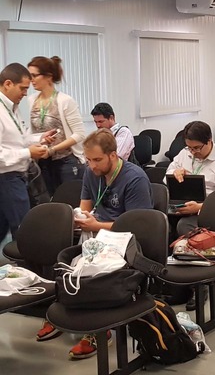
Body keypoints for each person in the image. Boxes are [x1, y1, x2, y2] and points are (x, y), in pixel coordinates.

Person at [37, 129, 153, 357]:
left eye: (97, 160)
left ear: (113, 155)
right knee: (59, 250)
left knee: (94, 268)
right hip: (95, 233)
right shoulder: (91, 173)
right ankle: (64, 306)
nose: (92, 166)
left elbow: (137, 226)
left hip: (124, 239)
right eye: (88, 160)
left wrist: (96, 226)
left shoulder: (134, 178)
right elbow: (86, 207)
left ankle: (100, 329)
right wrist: (78, 219)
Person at [0, 63, 49, 244]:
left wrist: (39, 139)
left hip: (16, 177)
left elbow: (19, 138)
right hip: (6, 178)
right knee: (23, 230)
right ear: (7, 84)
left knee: (8, 228)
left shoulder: (12, 108)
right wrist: (28, 152)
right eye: (22, 88)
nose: (25, 93)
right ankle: (26, 270)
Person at [27, 56, 85, 197]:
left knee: (69, 203)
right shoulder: (32, 100)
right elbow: (32, 131)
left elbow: (79, 134)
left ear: (48, 77)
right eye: (30, 76)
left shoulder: (65, 100)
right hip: (43, 161)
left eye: (34, 75)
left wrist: (53, 150)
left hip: (66, 161)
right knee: (49, 205)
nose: (31, 80)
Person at [166, 121, 215, 236]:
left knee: (184, 225)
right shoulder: (184, 153)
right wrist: (174, 173)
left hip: (208, 209)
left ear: (209, 141)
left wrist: (198, 207)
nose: (193, 152)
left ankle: (196, 251)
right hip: (182, 203)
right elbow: (166, 178)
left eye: (197, 148)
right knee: (159, 220)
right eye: (189, 148)